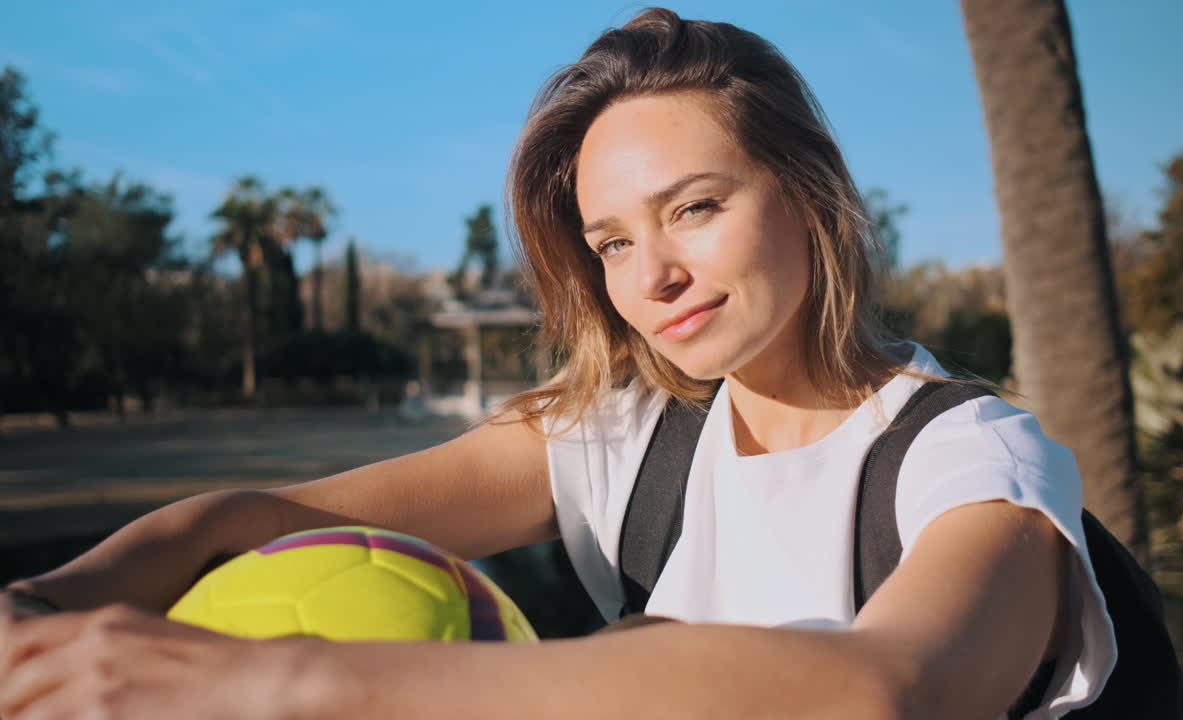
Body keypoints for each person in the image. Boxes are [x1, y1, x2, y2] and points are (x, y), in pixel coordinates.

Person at [0, 9, 1116, 719]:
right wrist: (43, 608)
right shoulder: (626, 439)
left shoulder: (973, 460)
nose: (653, 275)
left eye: (695, 208)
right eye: (614, 242)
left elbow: (886, 693)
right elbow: (258, 518)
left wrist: (288, 684)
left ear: (812, 197)